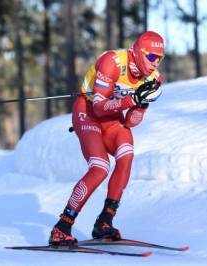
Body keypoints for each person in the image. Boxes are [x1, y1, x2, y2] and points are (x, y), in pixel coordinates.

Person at [49, 31, 165, 246]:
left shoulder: (153, 78)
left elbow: (130, 121)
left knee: (127, 154)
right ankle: (62, 227)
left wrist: (142, 104)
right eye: (151, 57)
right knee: (100, 167)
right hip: (89, 111)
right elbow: (99, 108)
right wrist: (132, 99)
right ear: (139, 52)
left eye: (160, 58)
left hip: (113, 117)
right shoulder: (112, 62)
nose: (155, 63)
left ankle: (104, 222)